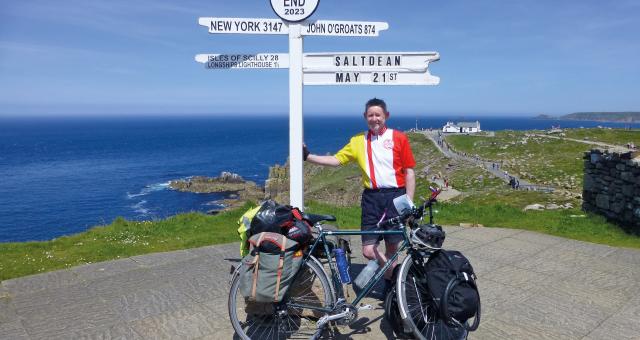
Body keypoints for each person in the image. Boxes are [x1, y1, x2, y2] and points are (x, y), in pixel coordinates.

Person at [304, 98, 416, 293]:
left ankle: (391, 288)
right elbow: (336, 160)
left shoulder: (399, 137)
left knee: (392, 248)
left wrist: (409, 202)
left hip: (396, 197)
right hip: (372, 199)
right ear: (365, 117)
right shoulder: (358, 141)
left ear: (386, 116)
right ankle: (395, 275)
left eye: (378, 115)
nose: (374, 119)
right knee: (367, 250)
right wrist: (308, 156)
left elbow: (409, 172)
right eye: (370, 115)